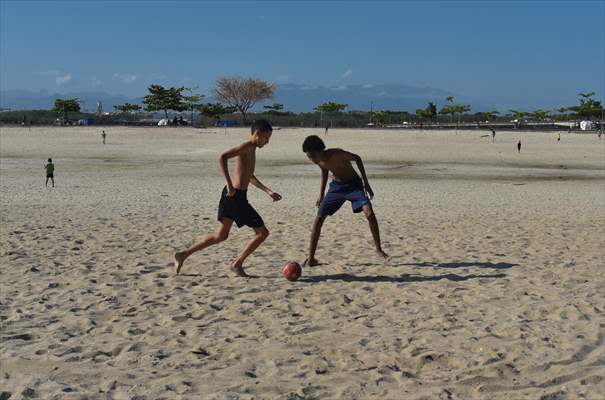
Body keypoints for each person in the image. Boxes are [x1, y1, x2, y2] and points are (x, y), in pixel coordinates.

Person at [173, 120, 282, 277]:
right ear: (257, 133)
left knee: (221, 236)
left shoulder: (252, 150)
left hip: (236, 196)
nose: (267, 142)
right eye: (266, 138)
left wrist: (268, 191)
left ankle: (182, 255)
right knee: (262, 233)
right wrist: (230, 185)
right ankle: (236, 264)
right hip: (234, 196)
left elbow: (249, 176)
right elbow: (223, 157)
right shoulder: (246, 147)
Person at [301, 135, 388, 266]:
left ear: (321, 151)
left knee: (369, 213)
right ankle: (311, 258)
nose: (312, 159)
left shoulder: (337, 153)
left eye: (313, 155)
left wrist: (366, 182)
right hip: (336, 188)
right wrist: (321, 194)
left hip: (354, 186)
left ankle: (378, 249)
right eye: (309, 157)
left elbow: (357, 158)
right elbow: (324, 172)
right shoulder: (319, 161)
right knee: (318, 219)